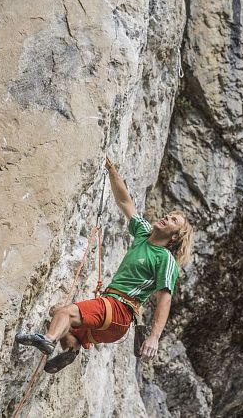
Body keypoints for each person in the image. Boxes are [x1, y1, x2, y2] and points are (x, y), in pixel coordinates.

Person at [16, 156, 194, 373]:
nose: (167, 217)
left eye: (173, 220)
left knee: (65, 313)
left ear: (174, 237)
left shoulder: (165, 259)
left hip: (120, 310)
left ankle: (48, 340)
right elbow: (125, 202)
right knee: (58, 315)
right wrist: (111, 170)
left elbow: (164, 299)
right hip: (112, 317)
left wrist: (154, 337)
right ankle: (71, 348)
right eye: (169, 215)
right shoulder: (143, 233)